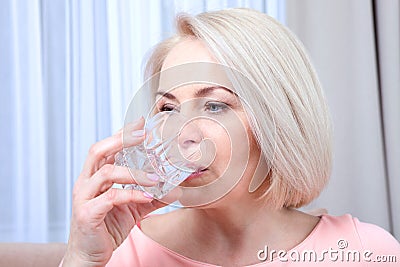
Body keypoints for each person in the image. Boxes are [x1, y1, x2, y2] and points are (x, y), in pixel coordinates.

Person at [60, 8, 400, 266]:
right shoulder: (122, 252)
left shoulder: (364, 251)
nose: (182, 133)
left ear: (279, 121)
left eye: (214, 105)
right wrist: (80, 258)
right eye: (167, 108)